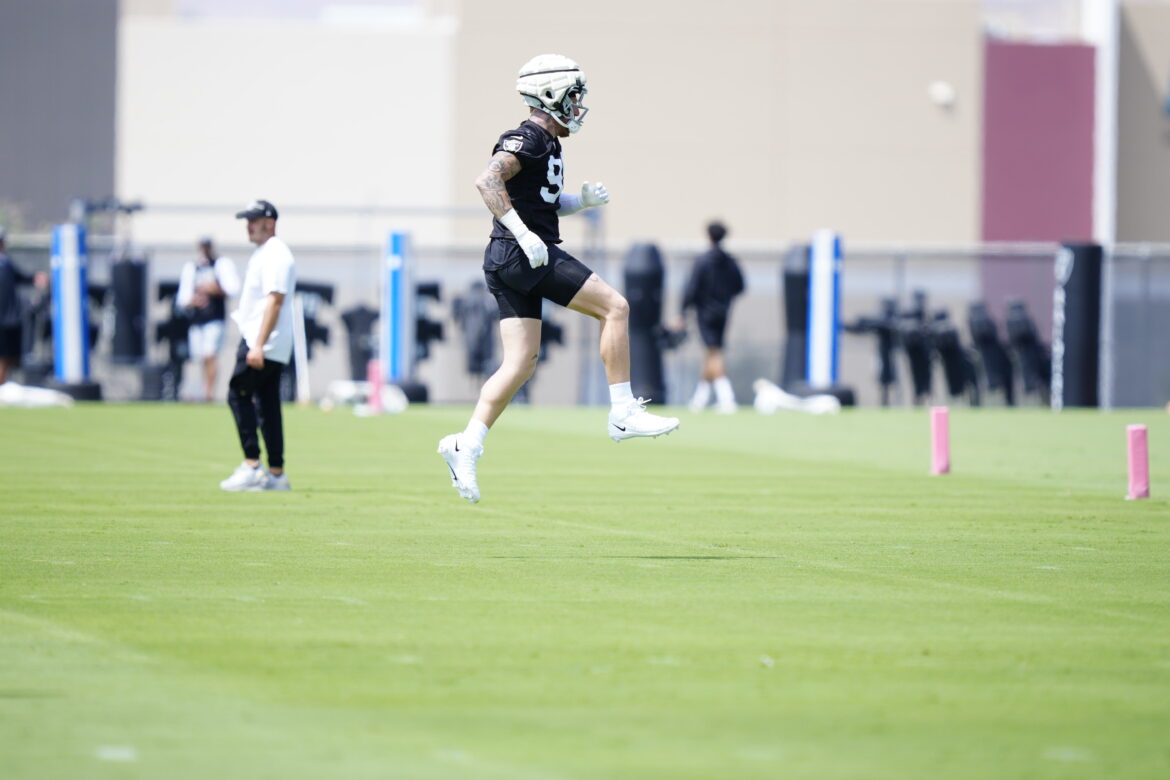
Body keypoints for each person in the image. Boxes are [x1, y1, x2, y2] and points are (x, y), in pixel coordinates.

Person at [437, 54, 680, 504]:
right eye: (574, 95)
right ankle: (623, 411)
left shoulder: (549, 143)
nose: (579, 104)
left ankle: (464, 443)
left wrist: (579, 202)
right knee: (616, 307)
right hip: (521, 252)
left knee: (520, 363)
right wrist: (526, 235)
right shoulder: (527, 137)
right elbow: (487, 181)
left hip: (508, 256)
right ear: (551, 94)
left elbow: (541, 202)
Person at [218, 200, 296, 492]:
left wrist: (258, 345)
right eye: (247, 220)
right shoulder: (267, 253)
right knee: (267, 404)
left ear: (270, 222)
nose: (248, 226)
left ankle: (252, 464)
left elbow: (275, 300)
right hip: (267, 341)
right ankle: (276, 473)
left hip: (261, 341)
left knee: (237, 394)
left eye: (254, 220)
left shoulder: (275, 254)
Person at [677, 221, 745, 413]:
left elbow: (691, 287)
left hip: (704, 313)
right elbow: (740, 285)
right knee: (711, 351)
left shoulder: (703, 260)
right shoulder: (730, 261)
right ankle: (699, 399)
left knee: (713, 352)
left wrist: (682, 313)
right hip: (723, 312)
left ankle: (727, 399)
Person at [177, 237, 239, 401]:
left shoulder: (221, 265)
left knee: (210, 354)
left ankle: (209, 393)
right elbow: (183, 298)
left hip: (214, 318)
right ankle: (202, 389)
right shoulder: (192, 267)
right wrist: (194, 300)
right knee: (200, 357)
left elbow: (232, 289)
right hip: (197, 320)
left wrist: (214, 290)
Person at [0, 227, 37, 385]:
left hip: (10, 321)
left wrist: (37, 278)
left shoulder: (6, 264)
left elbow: (22, 277)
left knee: (11, 357)